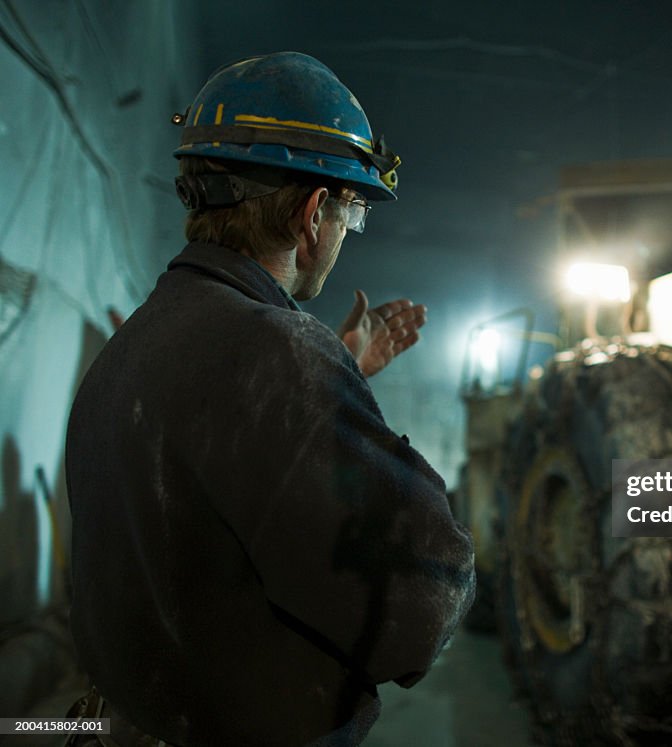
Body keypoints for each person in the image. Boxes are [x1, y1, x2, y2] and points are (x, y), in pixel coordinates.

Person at [64, 52, 475, 747]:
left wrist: (334, 373)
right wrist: (318, 376)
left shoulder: (128, 350)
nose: (346, 233)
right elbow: (421, 603)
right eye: (352, 212)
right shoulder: (277, 353)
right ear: (315, 213)